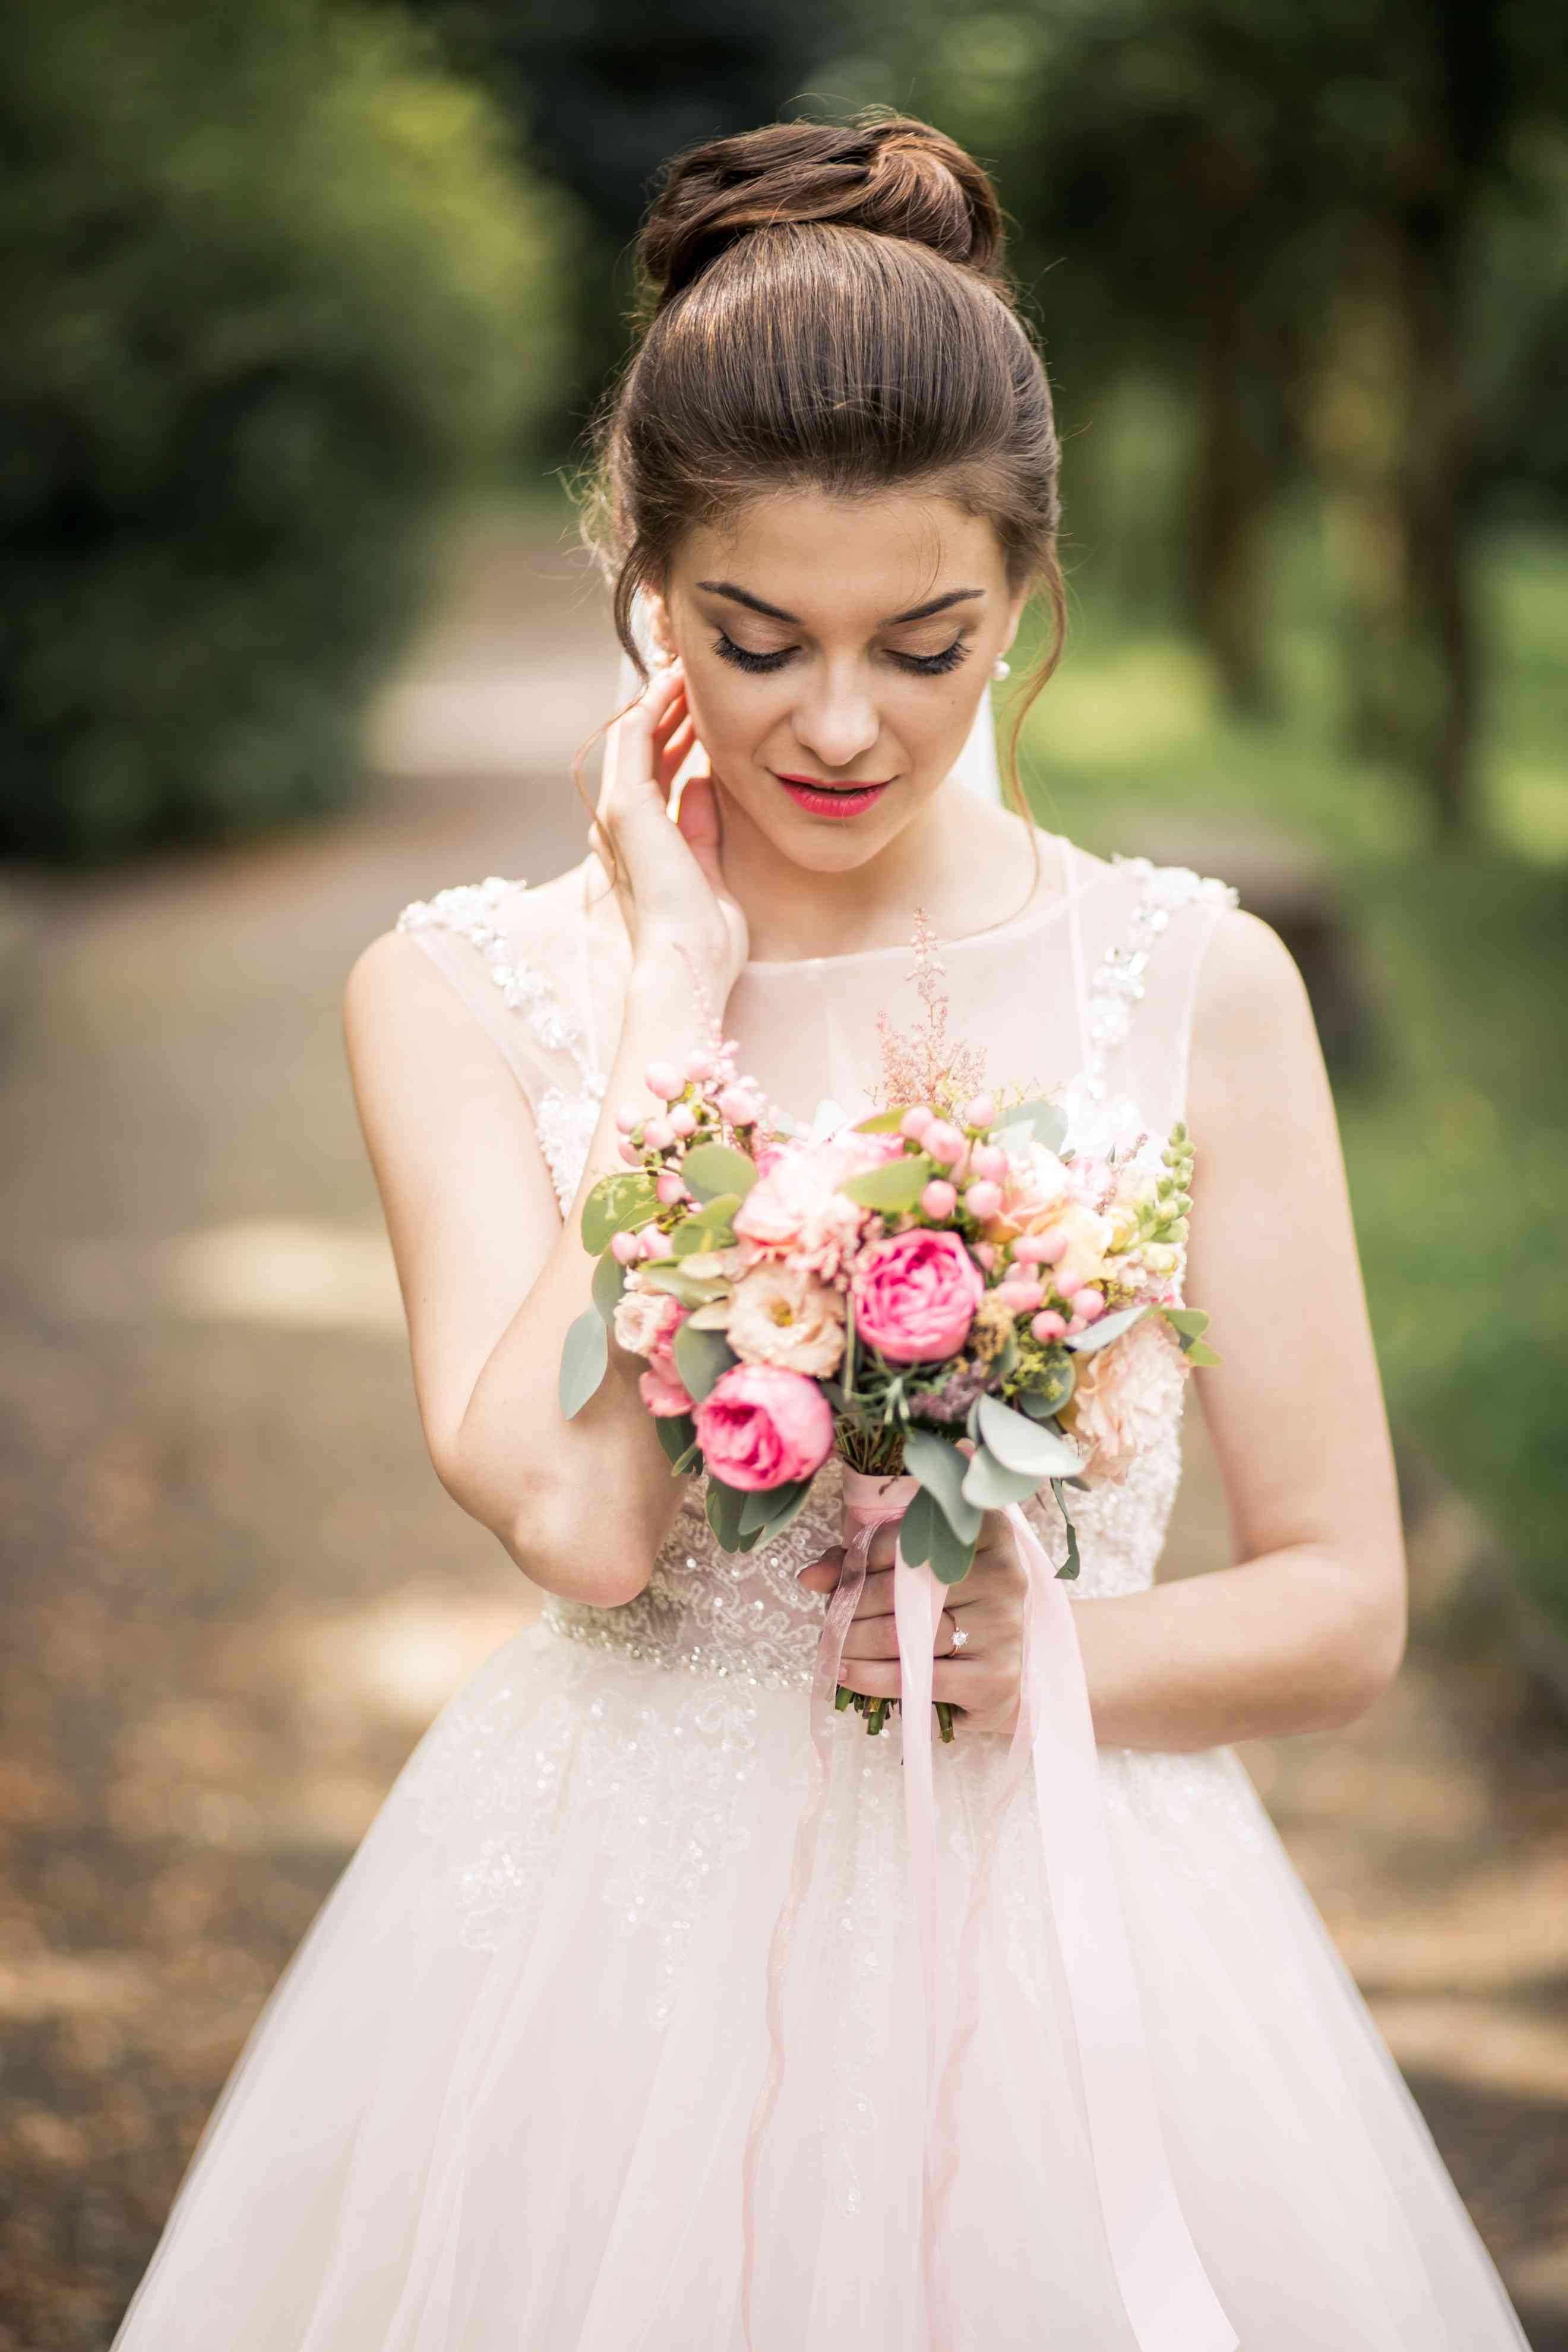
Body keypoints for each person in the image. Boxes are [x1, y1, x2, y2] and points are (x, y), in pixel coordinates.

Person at [111, 115, 1533, 2352]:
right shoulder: (463, 999)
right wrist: (675, 1015)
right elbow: (582, 1526)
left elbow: (1344, 1607)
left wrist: (1045, 1664)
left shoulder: (1191, 986)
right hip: (606, 1947)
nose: (845, 726)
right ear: (641, 590)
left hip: (1075, 1938)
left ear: (1030, 605)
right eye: (756, 642)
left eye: (928, 644)